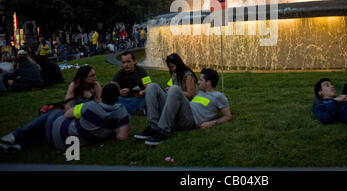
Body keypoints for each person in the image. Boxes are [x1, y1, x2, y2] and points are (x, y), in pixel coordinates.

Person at [0, 83, 129, 153]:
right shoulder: (121, 112)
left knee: (53, 114)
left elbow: (67, 114)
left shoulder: (89, 106)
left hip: (62, 132)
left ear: (102, 96)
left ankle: (14, 136)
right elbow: (121, 137)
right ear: (117, 98)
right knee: (45, 133)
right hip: (68, 145)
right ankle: (20, 146)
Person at [134, 68, 232, 146]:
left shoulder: (219, 96)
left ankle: (163, 131)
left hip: (190, 120)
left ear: (208, 82)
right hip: (180, 113)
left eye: (201, 80)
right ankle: (153, 127)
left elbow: (228, 116)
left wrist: (212, 123)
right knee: (152, 86)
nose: (198, 82)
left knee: (175, 89)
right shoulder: (201, 91)